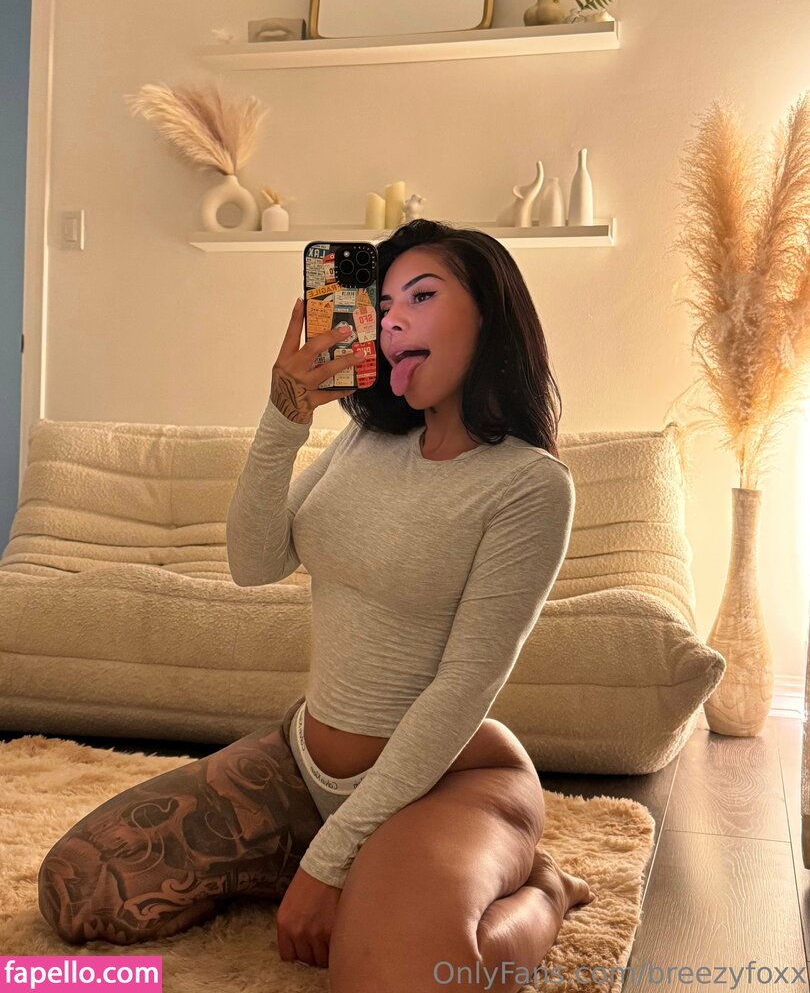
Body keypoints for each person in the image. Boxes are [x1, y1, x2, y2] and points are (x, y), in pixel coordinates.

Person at [38, 219, 593, 991]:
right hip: (307, 763)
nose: (391, 320)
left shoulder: (531, 486)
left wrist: (329, 865)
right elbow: (254, 563)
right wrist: (286, 411)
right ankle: (357, 873)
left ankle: (546, 890)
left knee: (399, 979)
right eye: (383, 304)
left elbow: (464, 687)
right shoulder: (366, 442)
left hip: (445, 779)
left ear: (490, 316)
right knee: (79, 888)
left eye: (421, 297)